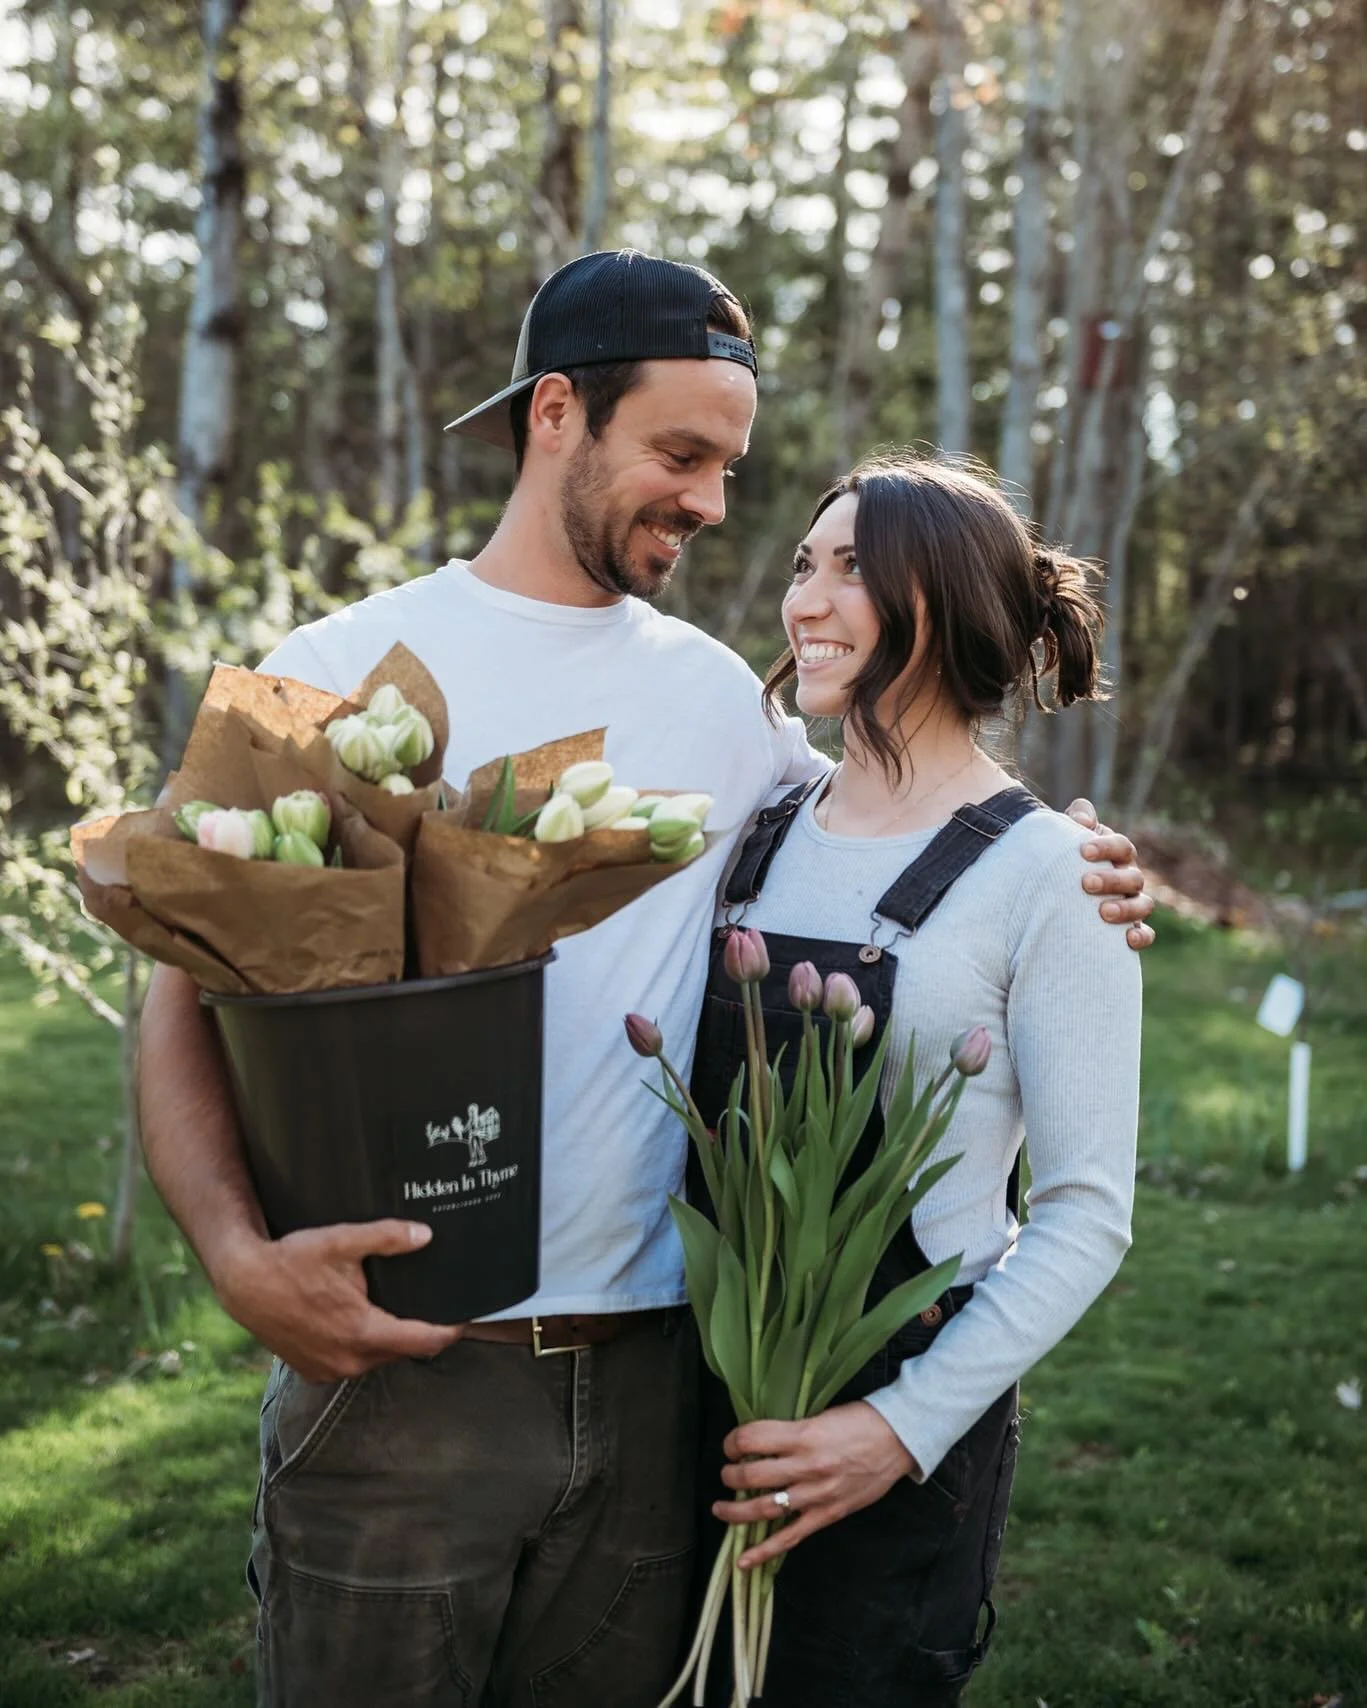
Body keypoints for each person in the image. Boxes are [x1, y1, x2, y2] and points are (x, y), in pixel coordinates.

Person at [135, 252, 1153, 1708]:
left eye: (732, 465)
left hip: (663, 1392)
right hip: (405, 1386)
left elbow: (907, 829)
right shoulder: (336, 663)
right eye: (681, 454)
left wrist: (1083, 865)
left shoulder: (720, 709)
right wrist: (236, 1258)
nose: (713, 502)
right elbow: (183, 985)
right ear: (557, 411)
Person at [688, 454, 1144, 1707]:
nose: (804, 603)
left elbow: (1085, 1212)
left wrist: (894, 1432)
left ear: (933, 603)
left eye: (850, 571)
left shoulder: (1050, 873)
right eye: (802, 566)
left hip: (899, 1426)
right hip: (709, 1388)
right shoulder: (762, 817)